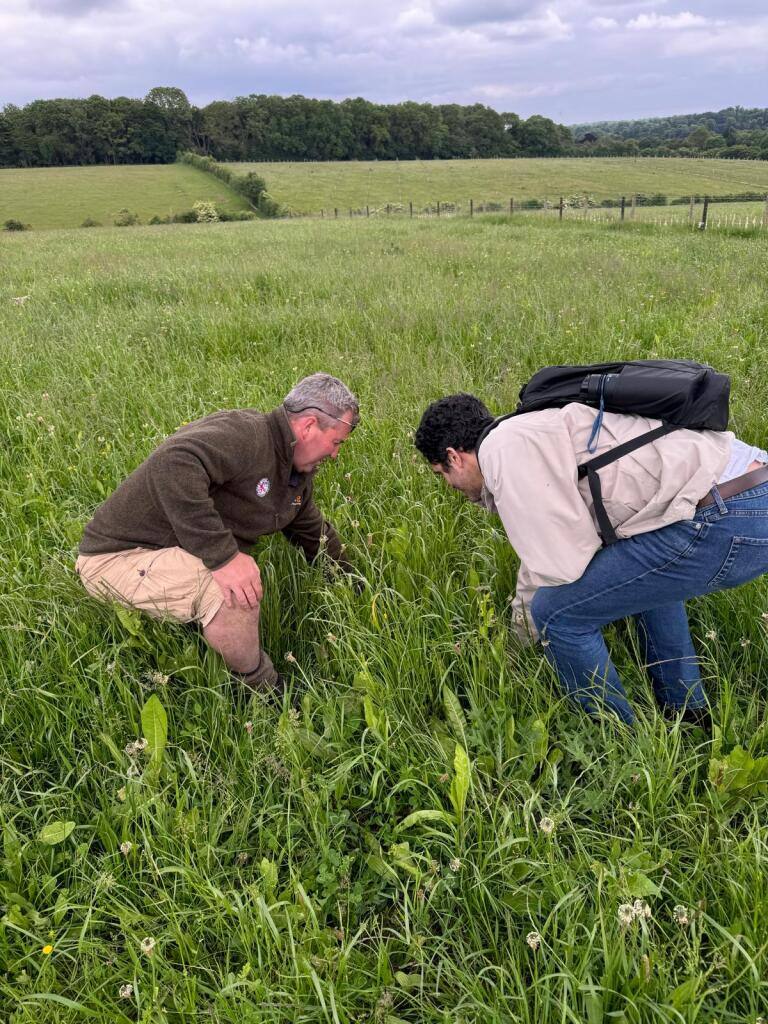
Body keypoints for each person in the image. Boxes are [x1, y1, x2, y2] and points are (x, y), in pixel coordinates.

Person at [415, 392, 768, 727]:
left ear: (454, 457)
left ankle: (619, 749)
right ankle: (687, 712)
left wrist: (515, 648)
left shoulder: (503, 454)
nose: (451, 487)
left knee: (556, 614)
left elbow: (559, 569)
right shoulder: (524, 431)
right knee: (636, 571)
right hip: (746, 485)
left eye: (441, 474)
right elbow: (547, 552)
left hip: (729, 512)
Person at [76, 373, 359, 694]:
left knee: (236, 576)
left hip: (168, 552)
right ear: (308, 426)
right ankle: (261, 690)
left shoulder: (293, 475)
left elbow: (312, 532)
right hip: (117, 558)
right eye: (336, 442)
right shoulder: (248, 435)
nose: (335, 454)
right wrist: (224, 558)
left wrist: (354, 586)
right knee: (234, 590)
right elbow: (173, 463)